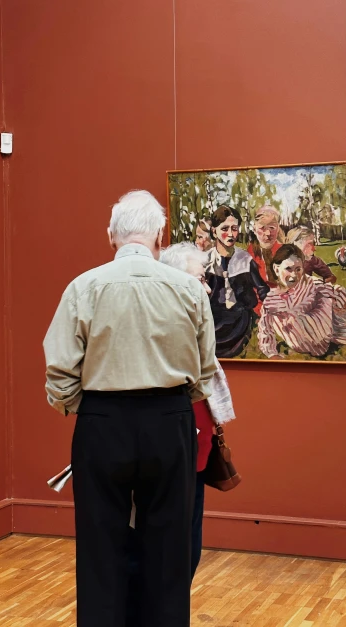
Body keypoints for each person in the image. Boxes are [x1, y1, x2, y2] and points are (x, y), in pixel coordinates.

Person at [43, 190, 217, 627]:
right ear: (160, 235)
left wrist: (94, 408)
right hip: (169, 421)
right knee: (170, 552)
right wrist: (174, 401)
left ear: (110, 237)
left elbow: (60, 373)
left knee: (100, 550)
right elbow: (204, 373)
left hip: (102, 424)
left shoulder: (83, 287)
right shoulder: (189, 290)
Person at [127, 243, 236, 626]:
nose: (207, 289)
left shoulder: (191, 322)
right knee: (162, 554)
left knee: (187, 552)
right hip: (170, 452)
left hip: (195, 458)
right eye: (200, 278)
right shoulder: (163, 328)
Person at [258, 244, 346, 359]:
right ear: (276, 269)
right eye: (288, 269)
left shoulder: (310, 283)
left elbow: (336, 294)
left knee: (326, 296)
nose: (293, 275)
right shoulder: (271, 301)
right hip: (301, 340)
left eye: (298, 269)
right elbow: (265, 331)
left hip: (323, 332)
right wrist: (272, 354)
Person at [206, 205, 269, 358]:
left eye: (234, 228)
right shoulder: (205, 261)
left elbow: (262, 289)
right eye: (224, 229)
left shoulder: (245, 259)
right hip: (213, 321)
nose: (230, 234)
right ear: (214, 231)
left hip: (241, 320)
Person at [247, 205, 284, 314]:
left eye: (272, 228)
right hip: (260, 306)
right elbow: (251, 290)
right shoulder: (249, 255)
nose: (268, 233)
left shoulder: (285, 252)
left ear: (278, 229)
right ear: (254, 229)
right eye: (262, 228)